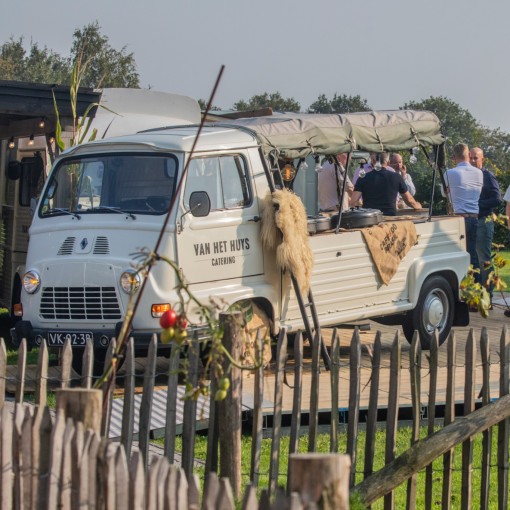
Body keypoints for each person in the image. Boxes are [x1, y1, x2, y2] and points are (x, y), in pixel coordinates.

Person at [441, 143, 483, 271]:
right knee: (472, 253)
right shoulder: (478, 173)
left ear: (454, 157)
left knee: (457, 254)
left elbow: (444, 193)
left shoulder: (450, 173)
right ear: (469, 155)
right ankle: (476, 285)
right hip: (474, 217)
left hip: (458, 218)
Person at [469, 148, 501, 300]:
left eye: (476, 158)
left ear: (483, 159)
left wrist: (477, 204)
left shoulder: (487, 176)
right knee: (473, 260)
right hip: (471, 222)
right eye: (471, 158)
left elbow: (497, 199)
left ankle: (488, 295)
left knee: (484, 260)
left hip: (484, 221)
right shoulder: (468, 176)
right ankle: (475, 296)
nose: (473, 161)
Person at [350, 152, 422, 215]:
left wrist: (363, 212)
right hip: (389, 219)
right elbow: (409, 200)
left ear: (374, 161)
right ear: (388, 163)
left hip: (370, 219)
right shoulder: (397, 177)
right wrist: (417, 205)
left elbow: (353, 202)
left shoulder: (362, 178)